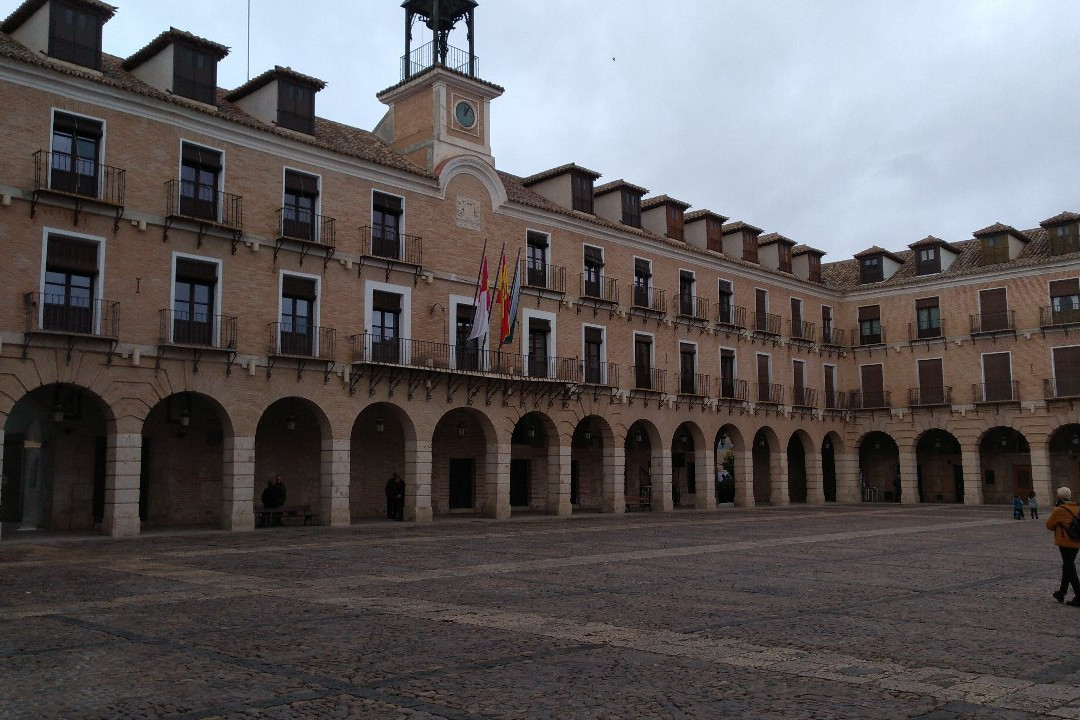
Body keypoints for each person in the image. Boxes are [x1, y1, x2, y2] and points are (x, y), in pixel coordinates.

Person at [1045, 486, 1080, 606]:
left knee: (1069, 567)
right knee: (1067, 566)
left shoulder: (1059, 510)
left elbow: (1049, 525)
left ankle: (1079, 595)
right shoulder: (1077, 508)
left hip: (1064, 542)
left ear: (1059, 497)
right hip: (1076, 541)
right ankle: (1062, 592)